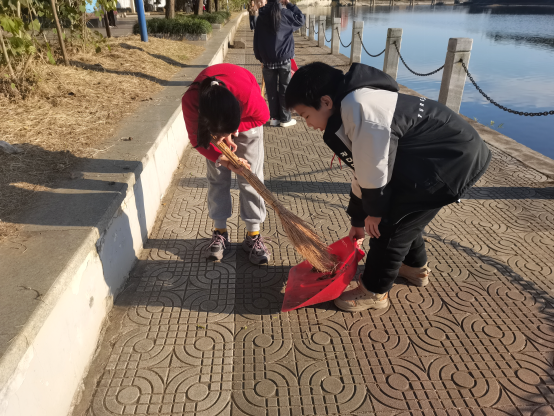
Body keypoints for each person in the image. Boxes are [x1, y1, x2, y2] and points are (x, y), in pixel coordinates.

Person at [285, 62, 491, 312]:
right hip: (432, 158)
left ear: (326, 102)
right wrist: (357, 218)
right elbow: (364, 169)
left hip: (450, 162)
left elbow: (375, 169)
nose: (308, 124)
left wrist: (374, 213)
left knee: (389, 227)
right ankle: (414, 268)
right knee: (404, 217)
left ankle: (374, 291)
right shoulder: (352, 104)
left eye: (305, 115)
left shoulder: (361, 107)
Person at [181, 63, 271, 265]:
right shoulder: (191, 100)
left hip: (248, 121)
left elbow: (263, 116)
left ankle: (253, 235)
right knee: (217, 178)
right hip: (214, 124)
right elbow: (197, 140)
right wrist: (223, 159)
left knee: (250, 178)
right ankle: (220, 231)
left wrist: (233, 128)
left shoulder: (246, 95)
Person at [254, 0, 304, 128]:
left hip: (267, 59)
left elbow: (256, 40)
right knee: (285, 89)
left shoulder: (261, 17)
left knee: (271, 90)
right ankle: (285, 119)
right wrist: (289, 4)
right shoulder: (286, 14)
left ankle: (274, 118)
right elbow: (301, 19)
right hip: (284, 58)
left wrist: (260, 58)